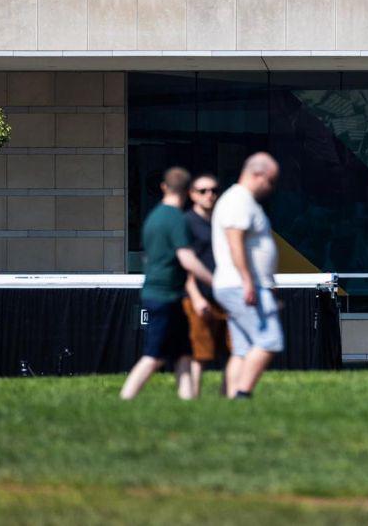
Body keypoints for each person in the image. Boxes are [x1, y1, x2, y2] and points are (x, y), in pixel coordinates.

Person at [119, 167, 213, 400]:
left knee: (184, 354)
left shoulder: (153, 218)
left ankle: (187, 402)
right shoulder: (176, 219)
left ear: (164, 187)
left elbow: (148, 256)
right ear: (189, 191)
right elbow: (187, 258)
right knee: (154, 355)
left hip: (163, 295)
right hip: (165, 296)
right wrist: (215, 280)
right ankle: (125, 398)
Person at [211, 152, 282, 399]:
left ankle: (232, 401)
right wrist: (248, 281)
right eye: (270, 181)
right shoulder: (238, 200)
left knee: (242, 350)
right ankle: (243, 394)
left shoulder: (243, 201)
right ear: (257, 174)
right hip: (240, 285)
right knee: (269, 340)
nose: (271, 188)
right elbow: (234, 242)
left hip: (242, 284)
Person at [181, 173, 232, 396]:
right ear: (192, 194)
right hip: (198, 296)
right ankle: (193, 400)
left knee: (232, 351)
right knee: (199, 353)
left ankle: (227, 398)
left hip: (224, 294)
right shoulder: (187, 222)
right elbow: (184, 265)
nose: (209, 195)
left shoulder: (221, 221)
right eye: (203, 191)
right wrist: (196, 297)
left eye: (214, 190)